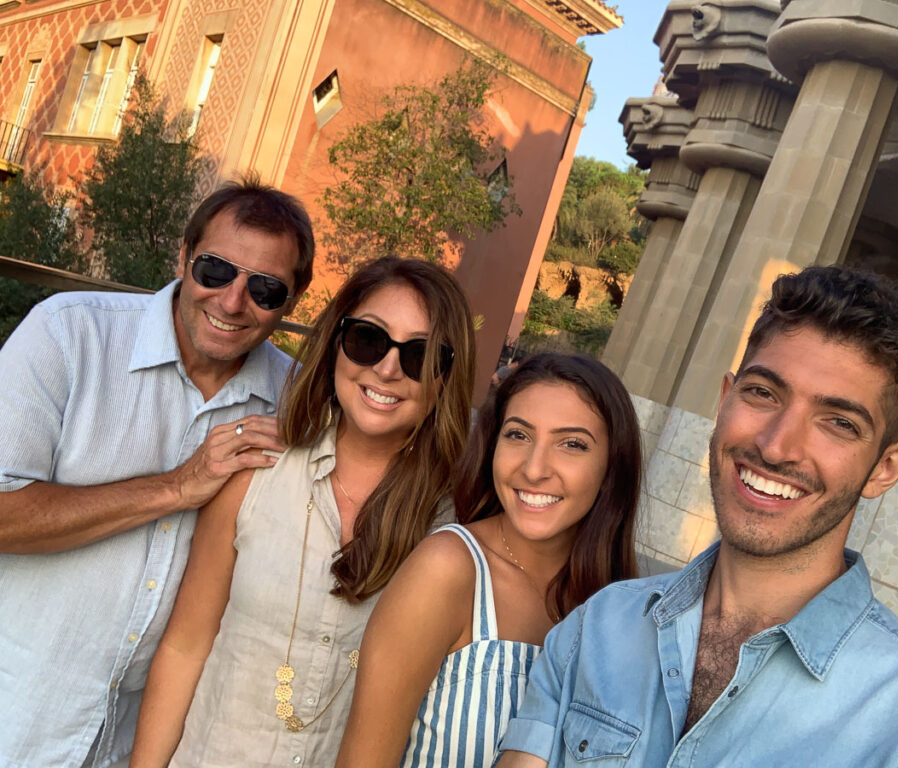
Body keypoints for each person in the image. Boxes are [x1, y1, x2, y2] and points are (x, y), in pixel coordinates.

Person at [496, 266, 898, 768]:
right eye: (763, 393)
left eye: (838, 422)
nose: (776, 446)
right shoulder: (597, 626)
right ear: (725, 399)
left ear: (887, 467)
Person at [0, 177, 315, 768]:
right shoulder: (72, 332)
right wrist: (177, 487)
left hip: (141, 743)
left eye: (266, 289)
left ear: (291, 304)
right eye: (217, 271)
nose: (231, 302)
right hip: (18, 715)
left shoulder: (294, 400)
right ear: (184, 257)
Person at [129, 255, 476, 768]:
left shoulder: (450, 528)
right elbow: (186, 647)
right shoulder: (254, 471)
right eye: (368, 338)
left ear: (446, 377)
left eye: (420, 357)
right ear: (336, 340)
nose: (385, 368)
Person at [337, 352, 643, 768]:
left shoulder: (620, 607)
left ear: (611, 467)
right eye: (518, 435)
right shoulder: (449, 569)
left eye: (572, 444)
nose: (535, 469)